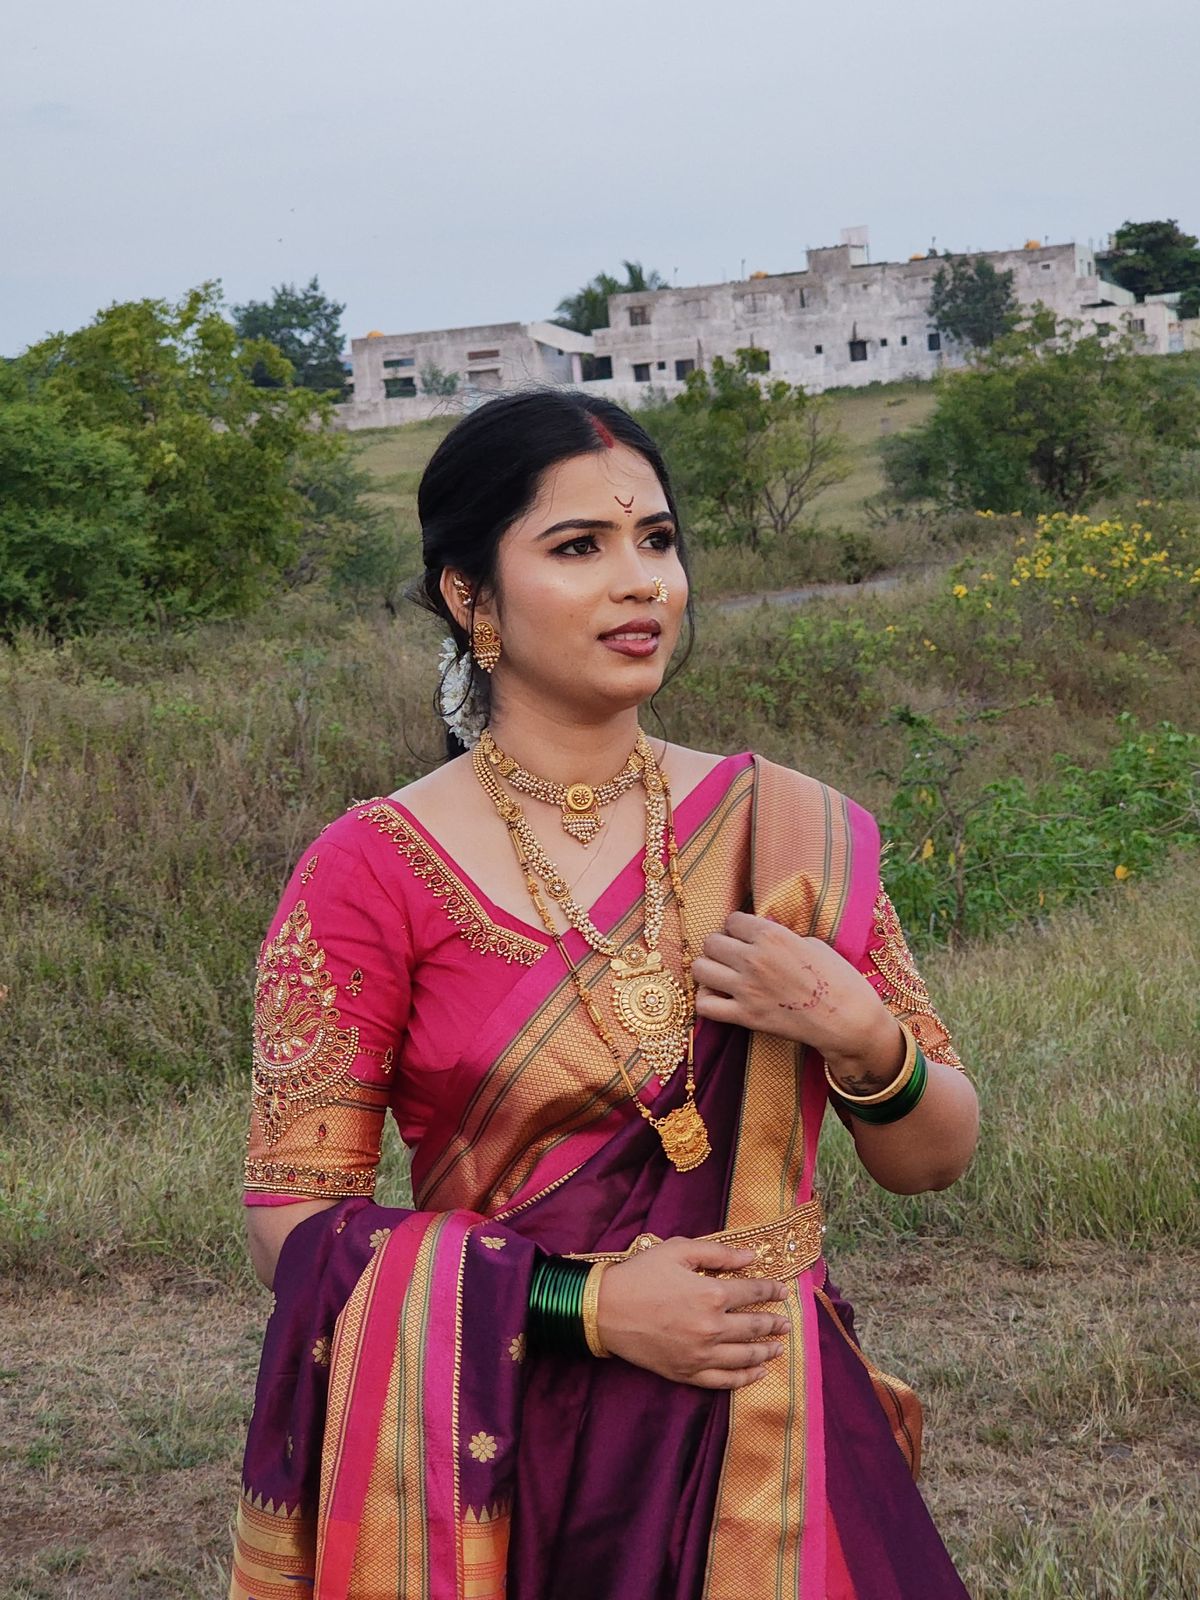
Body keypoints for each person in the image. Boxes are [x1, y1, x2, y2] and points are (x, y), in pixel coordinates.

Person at [231, 389, 980, 1600]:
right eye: (579, 546)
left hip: (778, 1425)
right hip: (517, 1442)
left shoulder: (788, 831)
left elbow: (935, 1156)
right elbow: (294, 1226)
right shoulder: (367, 870)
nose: (642, 582)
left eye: (658, 539)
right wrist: (589, 1303)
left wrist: (862, 1037)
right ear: (470, 596)